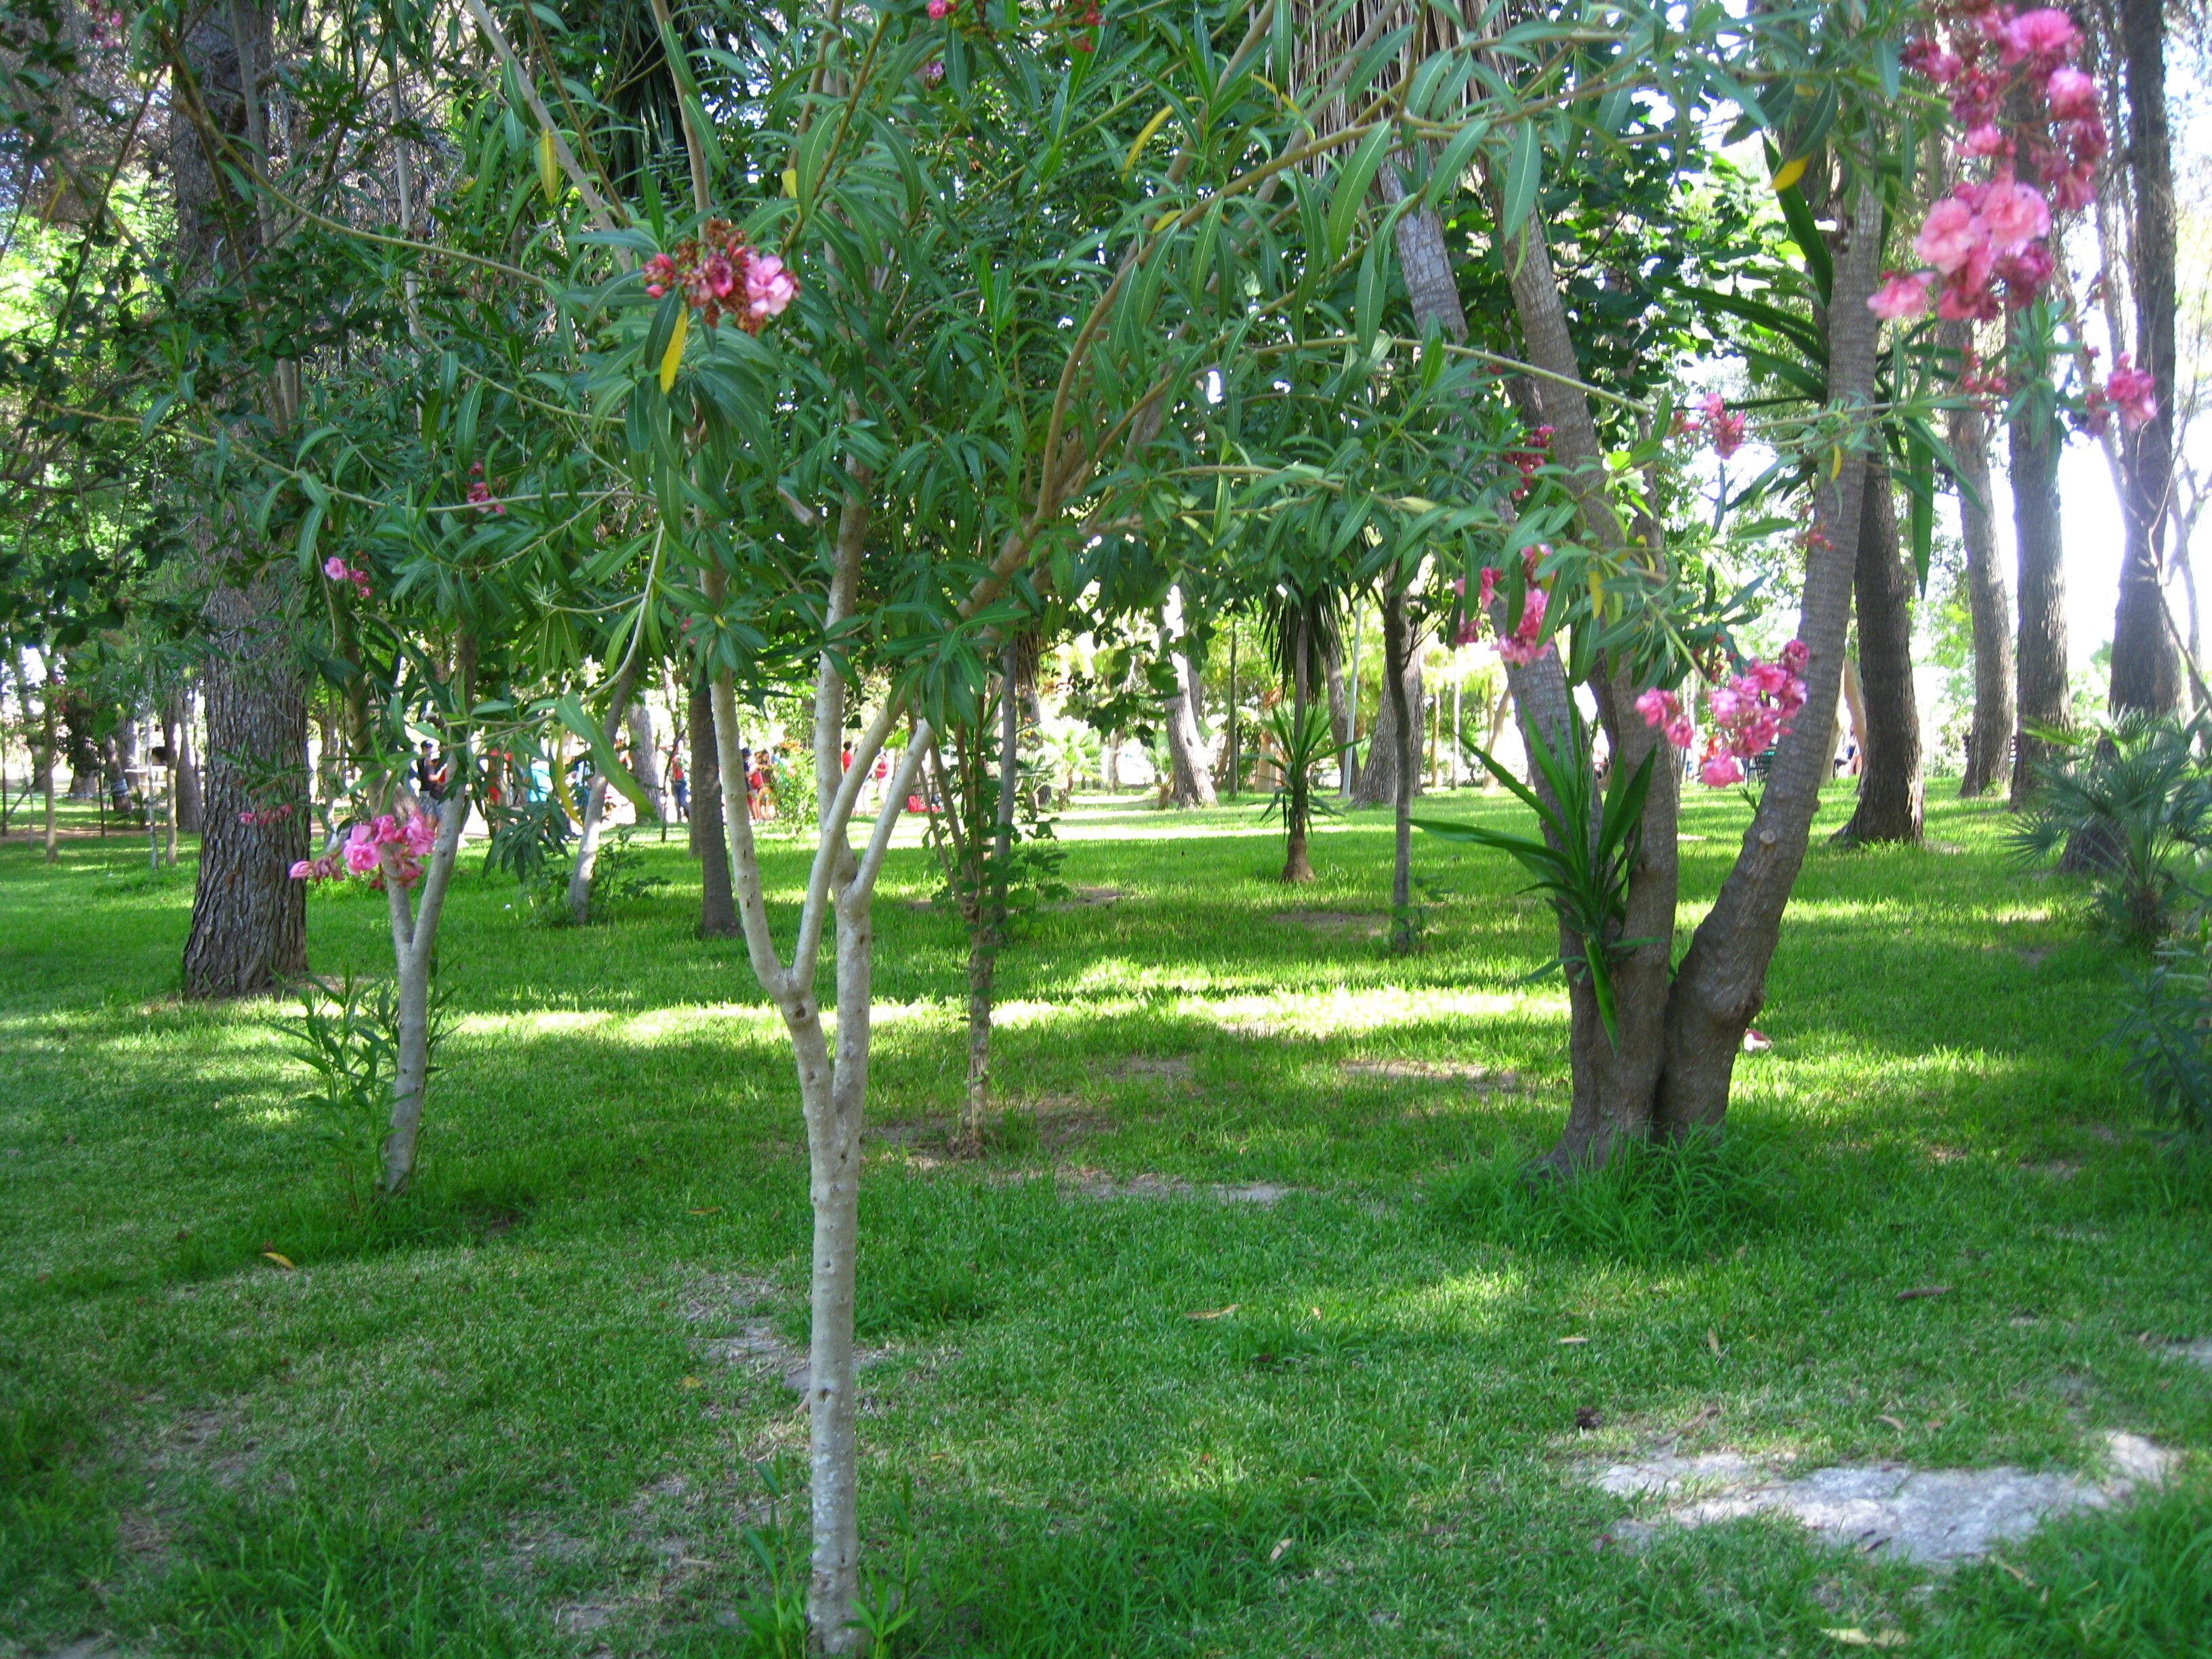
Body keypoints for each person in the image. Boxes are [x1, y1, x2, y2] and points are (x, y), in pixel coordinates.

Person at [670, 756, 689, 821]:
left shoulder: (683, 758)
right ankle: (679, 819)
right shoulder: (670, 759)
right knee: (677, 803)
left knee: (683, 802)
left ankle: (689, 817)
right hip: (674, 783)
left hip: (682, 783)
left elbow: (685, 769)